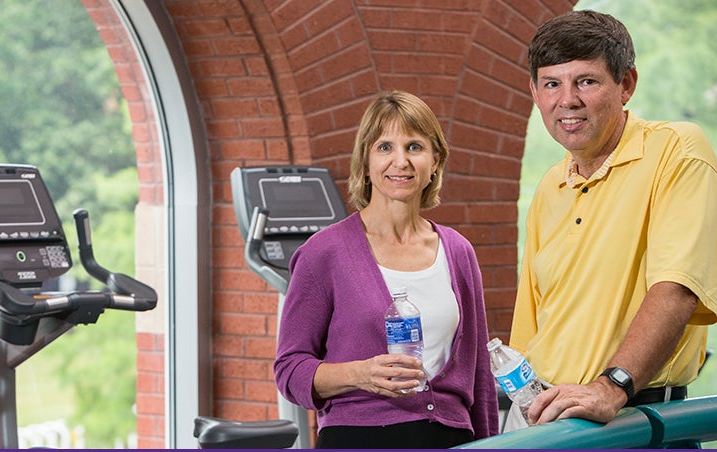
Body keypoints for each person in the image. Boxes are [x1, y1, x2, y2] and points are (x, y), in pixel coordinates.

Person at [510, 9, 717, 431]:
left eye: (586, 81)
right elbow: (531, 330)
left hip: (631, 417)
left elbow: (677, 290)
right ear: (535, 92)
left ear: (626, 85)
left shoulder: (678, 151)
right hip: (545, 421)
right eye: (552, 84)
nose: (567, 100)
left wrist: (612, 386)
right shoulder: (551, 185)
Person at [272, 90, 498, 448]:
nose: (400, 161)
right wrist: (361, 374)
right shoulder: (323, 254)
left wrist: (490, 445)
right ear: (365, 160)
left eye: (414, 147)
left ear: (435, 160)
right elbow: (289, 371)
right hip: (359, 437)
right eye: (385, 147)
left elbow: (480, 377)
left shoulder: (457, 251)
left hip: (450, 438)